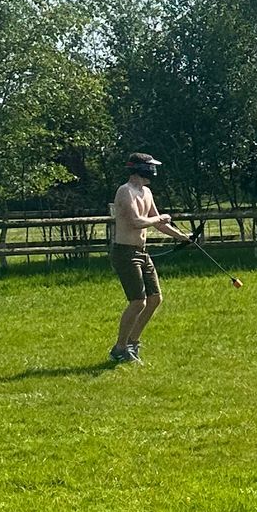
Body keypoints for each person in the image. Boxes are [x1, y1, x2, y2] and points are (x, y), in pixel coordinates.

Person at [108, 151, 185, 364]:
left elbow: (159, 223)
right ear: (140, 168)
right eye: (151, 166)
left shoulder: (147, 192)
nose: (154, 170)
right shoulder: (125, 191)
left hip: (142, 252)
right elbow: (136, 221)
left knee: (154, 299)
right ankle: (119, 349)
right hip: (125, 252)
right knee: (137, 301)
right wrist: (159, 217)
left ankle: (133, 343)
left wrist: (182, 237)